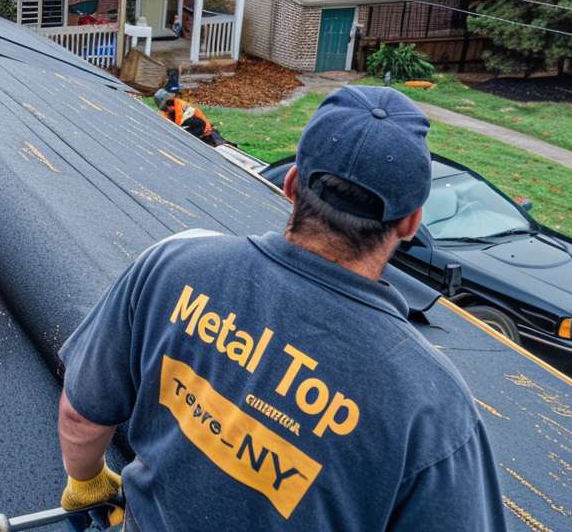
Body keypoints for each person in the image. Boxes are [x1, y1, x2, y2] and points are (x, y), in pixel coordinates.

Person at [55, 86, 506, 531]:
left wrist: (87, 484)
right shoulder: (434, 405)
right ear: (410, 222)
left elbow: (81, 416)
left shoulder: (173, 265)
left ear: (290, 184)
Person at [154, 88, 224, 146]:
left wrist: (207, 131)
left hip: (203, 131)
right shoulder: (164, 112)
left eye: (167, 106)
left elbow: (201, 121)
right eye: (164, 108)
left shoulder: (183, 107)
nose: (167, 109)